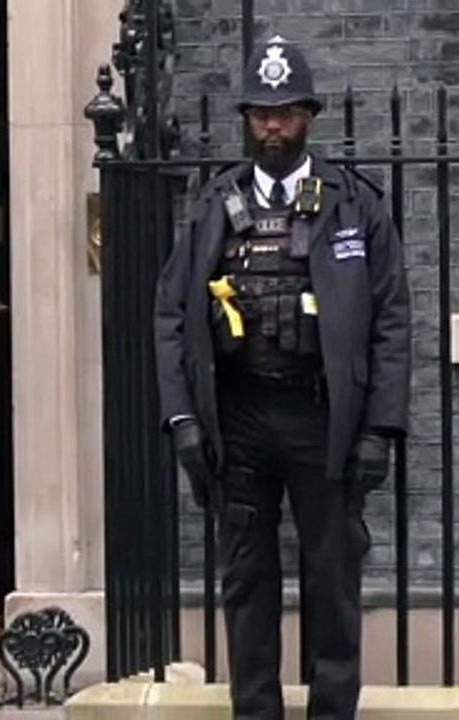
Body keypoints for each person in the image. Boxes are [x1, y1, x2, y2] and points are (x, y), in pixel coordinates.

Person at [153, 37, 410, 719]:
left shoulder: (355, 205)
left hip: (322, 418)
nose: (273, 125)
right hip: (237, 418)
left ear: (309, 115)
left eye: (287, 112)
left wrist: (380, 429)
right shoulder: (213, 204)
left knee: (333, 581)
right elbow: (172, 312)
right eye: (262, 112)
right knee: (247, 582)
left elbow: (392, 321)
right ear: (246, 116)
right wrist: (181, 420)